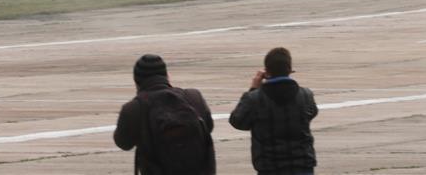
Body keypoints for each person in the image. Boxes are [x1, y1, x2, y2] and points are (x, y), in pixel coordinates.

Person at [114, 54, 215, 175]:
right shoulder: (193, 97)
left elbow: (123, 143)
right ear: (167, 76)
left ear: (137, 81)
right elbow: (209, 127)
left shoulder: (134, 109)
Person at [229, 47, 318, 175]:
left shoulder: (255, 98)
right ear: (290, 70)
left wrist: (253, 88)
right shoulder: (306, 96)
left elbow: (238, 121)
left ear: (267, 71)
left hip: (270, 166)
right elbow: (312, 113)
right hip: (302, 165)